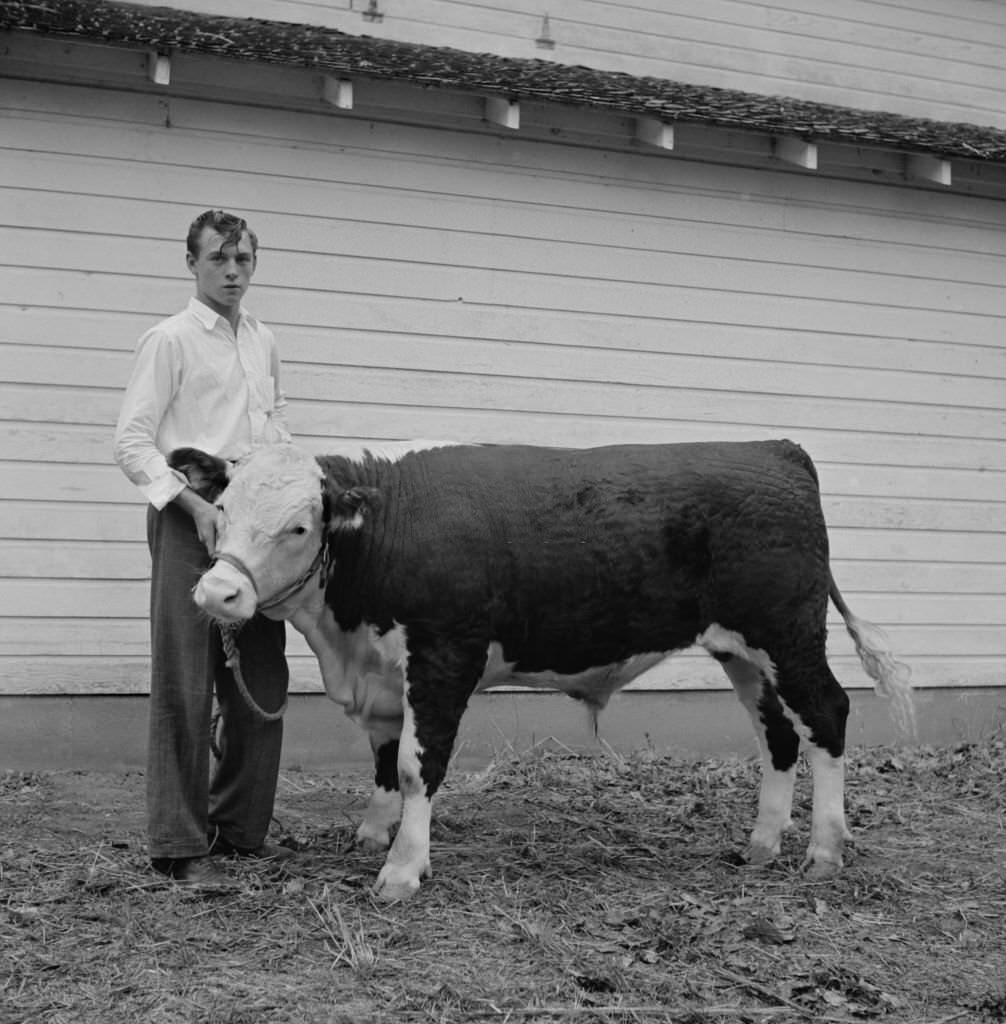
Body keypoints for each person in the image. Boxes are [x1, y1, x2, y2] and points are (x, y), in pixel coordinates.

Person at [114, 209, 294, 888]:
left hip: (250, 525)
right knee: (187, 681)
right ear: (192, 263)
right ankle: (177, 846)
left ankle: (242, 831)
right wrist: (191, 505)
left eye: (244, 259)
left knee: (260, 677)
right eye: (219, 258)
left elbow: (273, 423)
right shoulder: (169, 341)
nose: (232, 271)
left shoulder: (263, 341)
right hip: (189, 520)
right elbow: (131, 441)